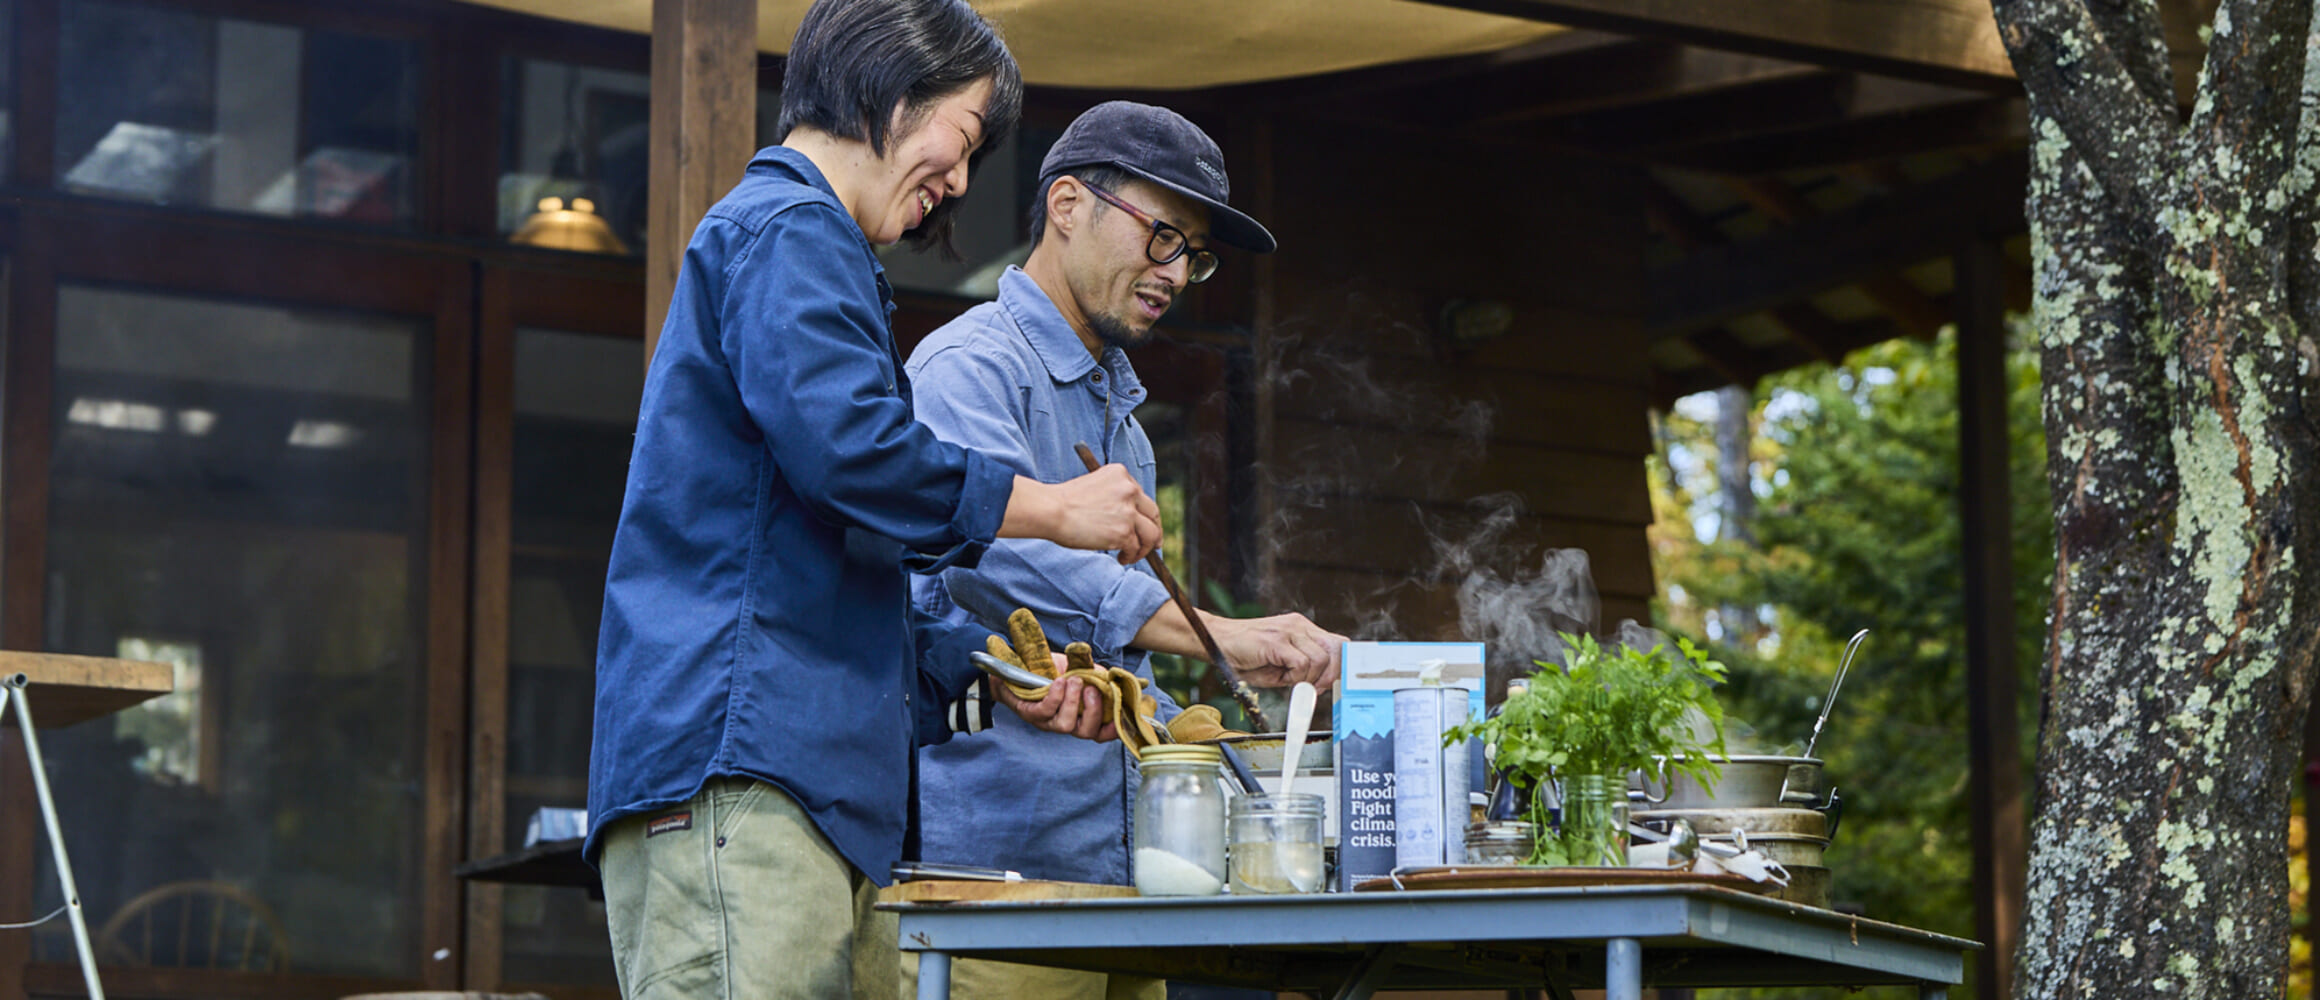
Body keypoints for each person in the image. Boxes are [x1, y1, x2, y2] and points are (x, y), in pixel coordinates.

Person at [584, 5, 1166, 999]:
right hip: (744, 777)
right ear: (893, 90)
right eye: (966, 136)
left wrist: (983, 674)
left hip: (807, 796)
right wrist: (1053, 507)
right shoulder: (786, 227)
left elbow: (841, 542)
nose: (959, 180)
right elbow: (853, 454)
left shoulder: (813, 248)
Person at [901, 101, 1347, 1000]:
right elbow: (999, 555)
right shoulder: (967, 369)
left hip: (1123, 881)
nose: (1177, 273)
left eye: (1195, 253)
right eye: (1162, 238)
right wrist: (1226, 638)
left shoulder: (1125, 426)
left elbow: (1100, 649)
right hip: (991, 887)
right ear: (1067, 204)